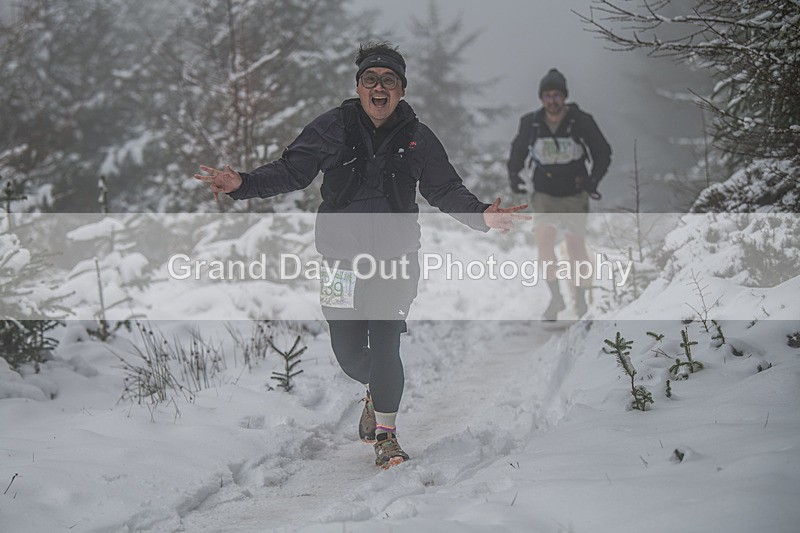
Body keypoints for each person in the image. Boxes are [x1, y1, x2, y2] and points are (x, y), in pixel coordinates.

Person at [195, 41, 527, 469]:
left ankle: (387, 436)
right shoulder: (333, 127)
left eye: (389, 80)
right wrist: (242, 183)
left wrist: (483, 215)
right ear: (358, 86)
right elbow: (292, 169)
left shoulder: (417, 137)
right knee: (351, 354)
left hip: (396, 258)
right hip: (339, 260)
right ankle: (376, 390)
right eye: (371, 79)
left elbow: (444, 189)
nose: (379, 87)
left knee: (386, 344)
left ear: (402, 90)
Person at [507, 68, 611, 320]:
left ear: (564, 97)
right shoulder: (530, 122)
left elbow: (603, 152)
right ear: (541, 98)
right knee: (544, 243)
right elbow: (518, 151)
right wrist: (514, 176)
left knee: (575, 247)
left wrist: (592, 181)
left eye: (557, 95)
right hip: (544, 194)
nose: (552, 101)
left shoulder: (581, 120)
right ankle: (556, 298)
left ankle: (580, 299)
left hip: (575, 193)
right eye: (547, 96)